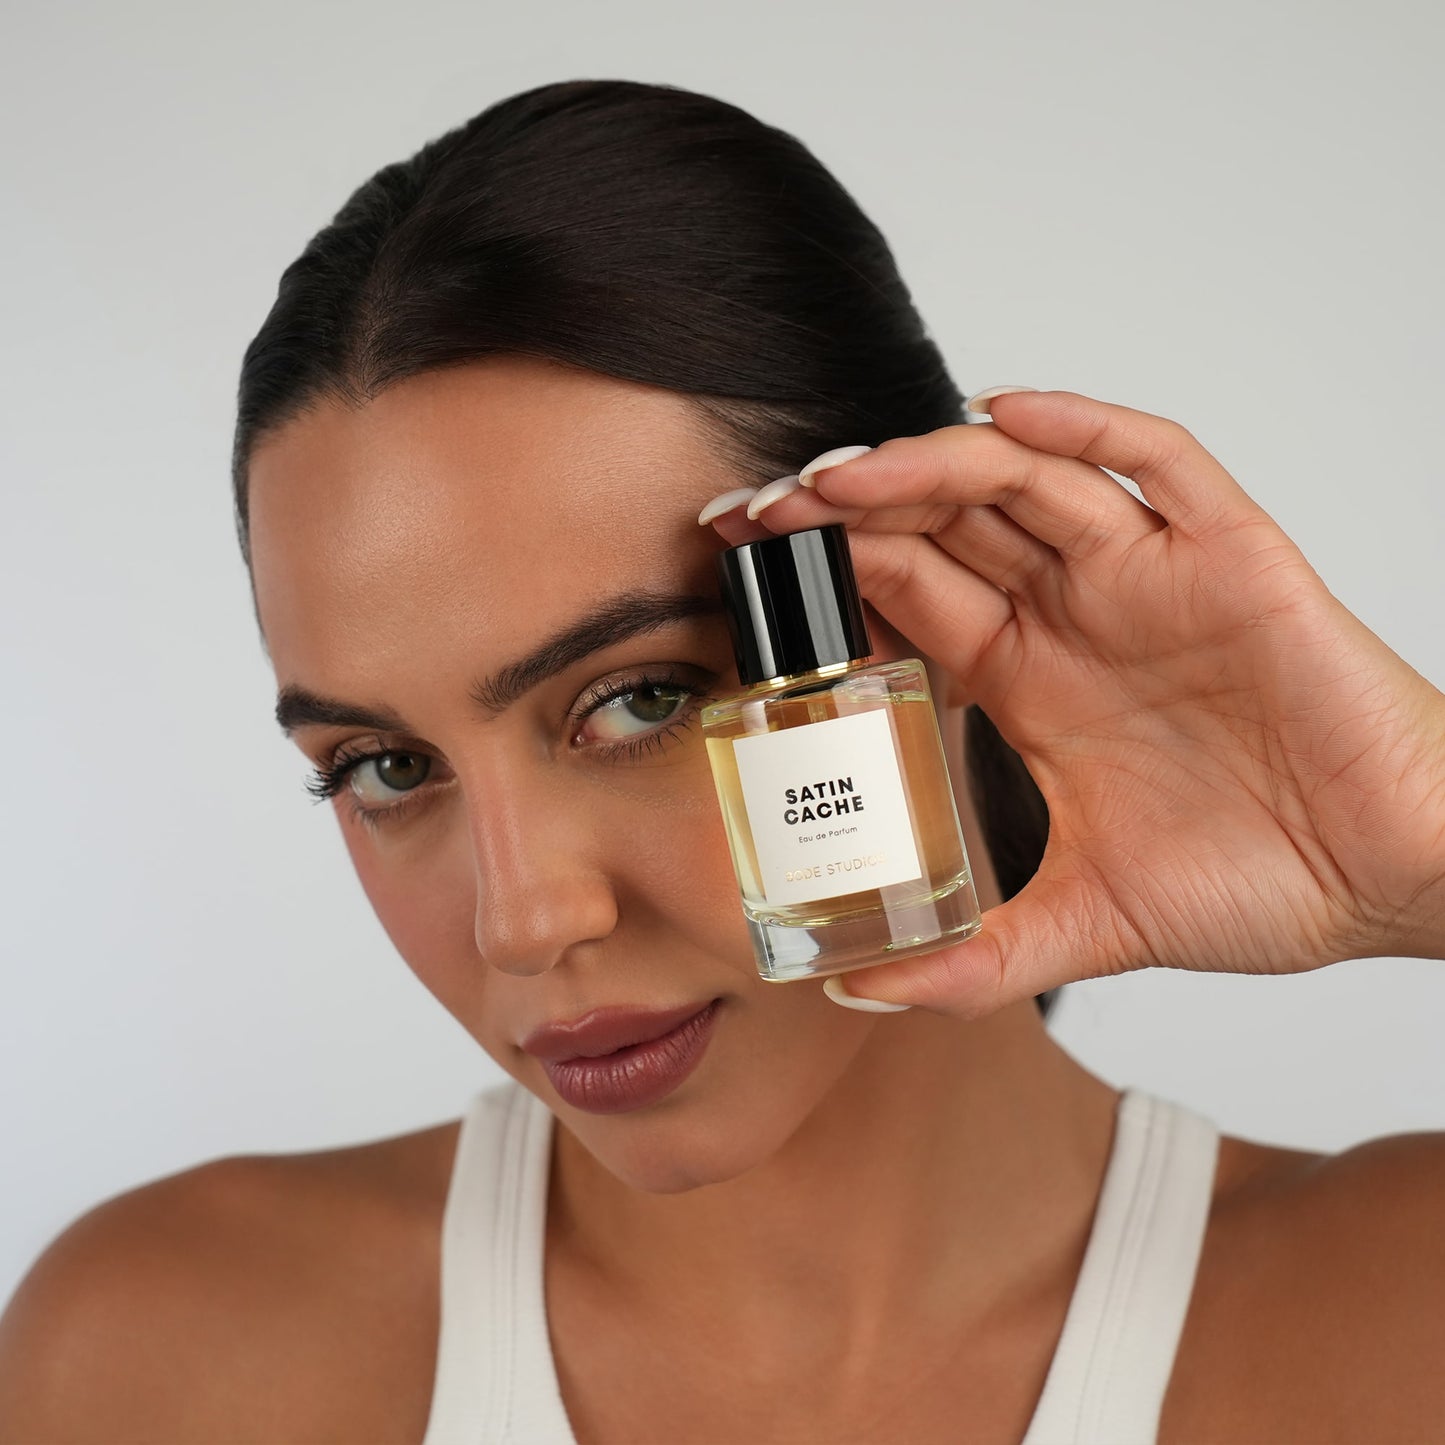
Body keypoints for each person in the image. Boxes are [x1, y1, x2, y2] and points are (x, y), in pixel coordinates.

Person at [1, 76, 1442, 1445]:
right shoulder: (161, 1356)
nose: (524, 918)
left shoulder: (1400, 1320)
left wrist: (1412, 852)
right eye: (385, 767)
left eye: (634, 698)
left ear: (930, 609)